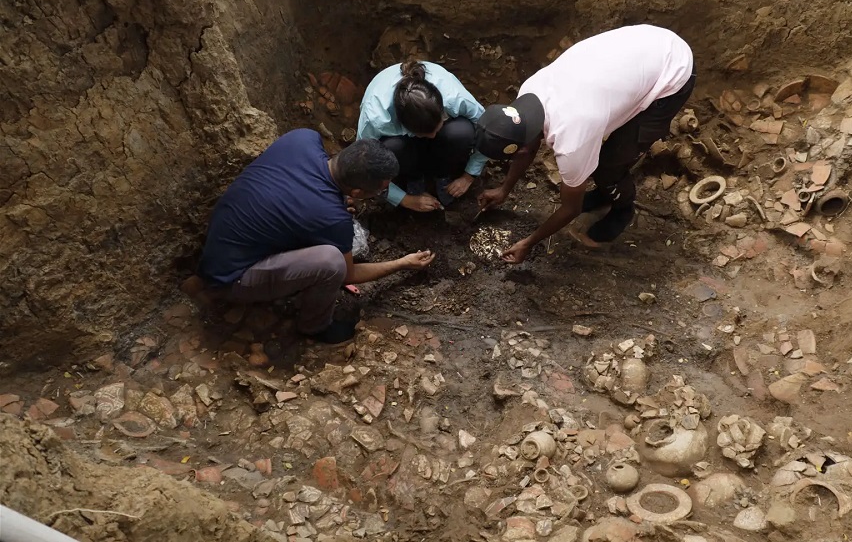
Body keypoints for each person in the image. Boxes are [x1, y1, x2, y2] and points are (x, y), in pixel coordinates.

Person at [474, 24, 696, 263]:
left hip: (672, 71)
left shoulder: (571, 139)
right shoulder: (529, 93)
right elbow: (528, 145)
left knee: (610, 166)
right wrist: (504, 189)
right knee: (609, 150)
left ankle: (622, 209)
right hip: (644, 45)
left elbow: (571, 208)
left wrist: (528, 243)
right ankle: (605, 193)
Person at [194, 129, 436, 344]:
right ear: (357, 192)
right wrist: (402, 263)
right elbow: (348, 274)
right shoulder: (334, 219)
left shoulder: (303, 138)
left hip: (220, 243)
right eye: (380, 191)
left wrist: (336, 201)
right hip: (230, 278)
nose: (381, 194)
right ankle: (315, 326)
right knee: (331, 262)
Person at [357, 61, 490, 212]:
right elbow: (364, 167)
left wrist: (469, 176)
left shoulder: (454, 98)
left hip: (444, 137)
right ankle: (413, 178)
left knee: (461, 131)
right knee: (393, 147)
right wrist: (404, 199)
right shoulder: (375, 118)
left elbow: (488, 132)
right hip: (403, 145)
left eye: (436, 129)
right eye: (425, 134)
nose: (432, 136)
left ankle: (443, 174)